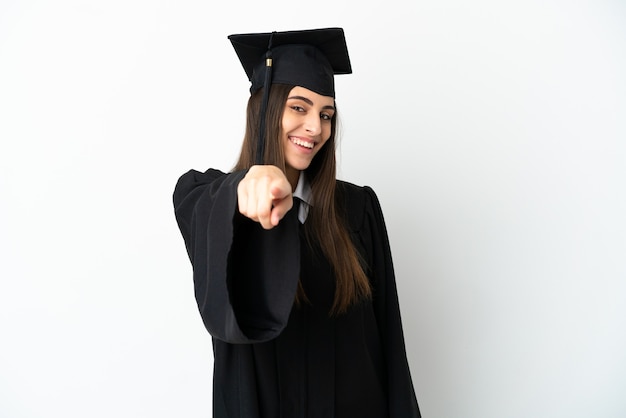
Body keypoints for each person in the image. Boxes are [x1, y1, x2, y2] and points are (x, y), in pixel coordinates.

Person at [173, 27, 421, 418]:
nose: (316, 128)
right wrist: (247, 184)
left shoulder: (358, 209)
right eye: (299, 108)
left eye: (326, 115)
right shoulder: (209, 200)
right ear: (265, 108)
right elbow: (203, 207)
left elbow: (389, 337)